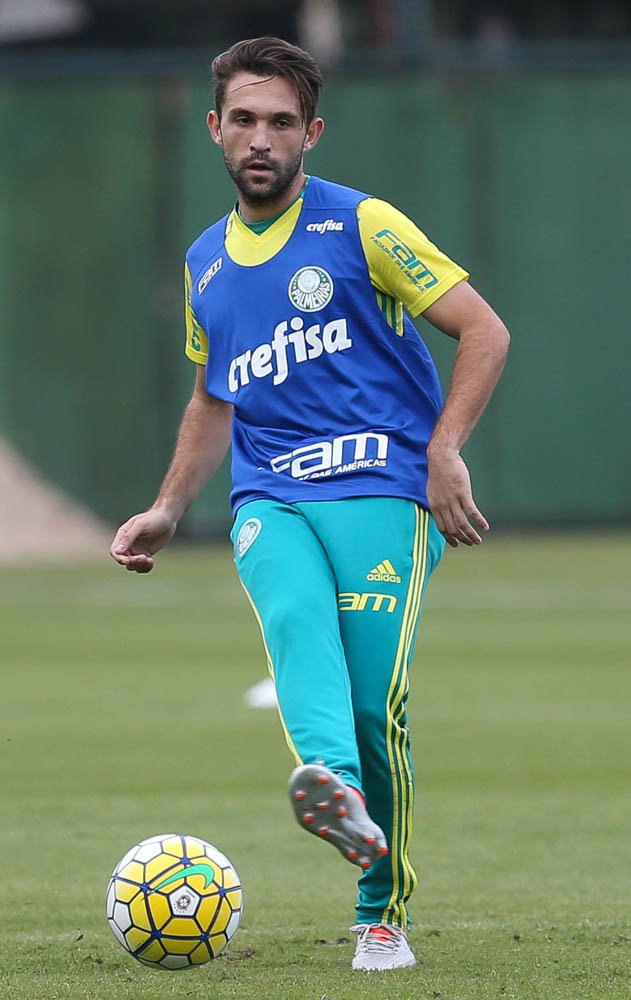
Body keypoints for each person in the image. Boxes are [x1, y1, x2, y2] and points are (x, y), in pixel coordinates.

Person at [110, 36, 510, 972]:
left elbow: (482, 329)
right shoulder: (204, 263)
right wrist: (170, 506)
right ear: (214, 129)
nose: (261, 137)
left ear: (312, 134)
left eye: (281, 122)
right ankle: (327, 783)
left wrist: (443, 450)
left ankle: (381, 908)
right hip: (271, 492)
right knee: (294, 619)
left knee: (377, 706)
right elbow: (215, 396)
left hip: (382, 484)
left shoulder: (362, 225)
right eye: (243, 119)